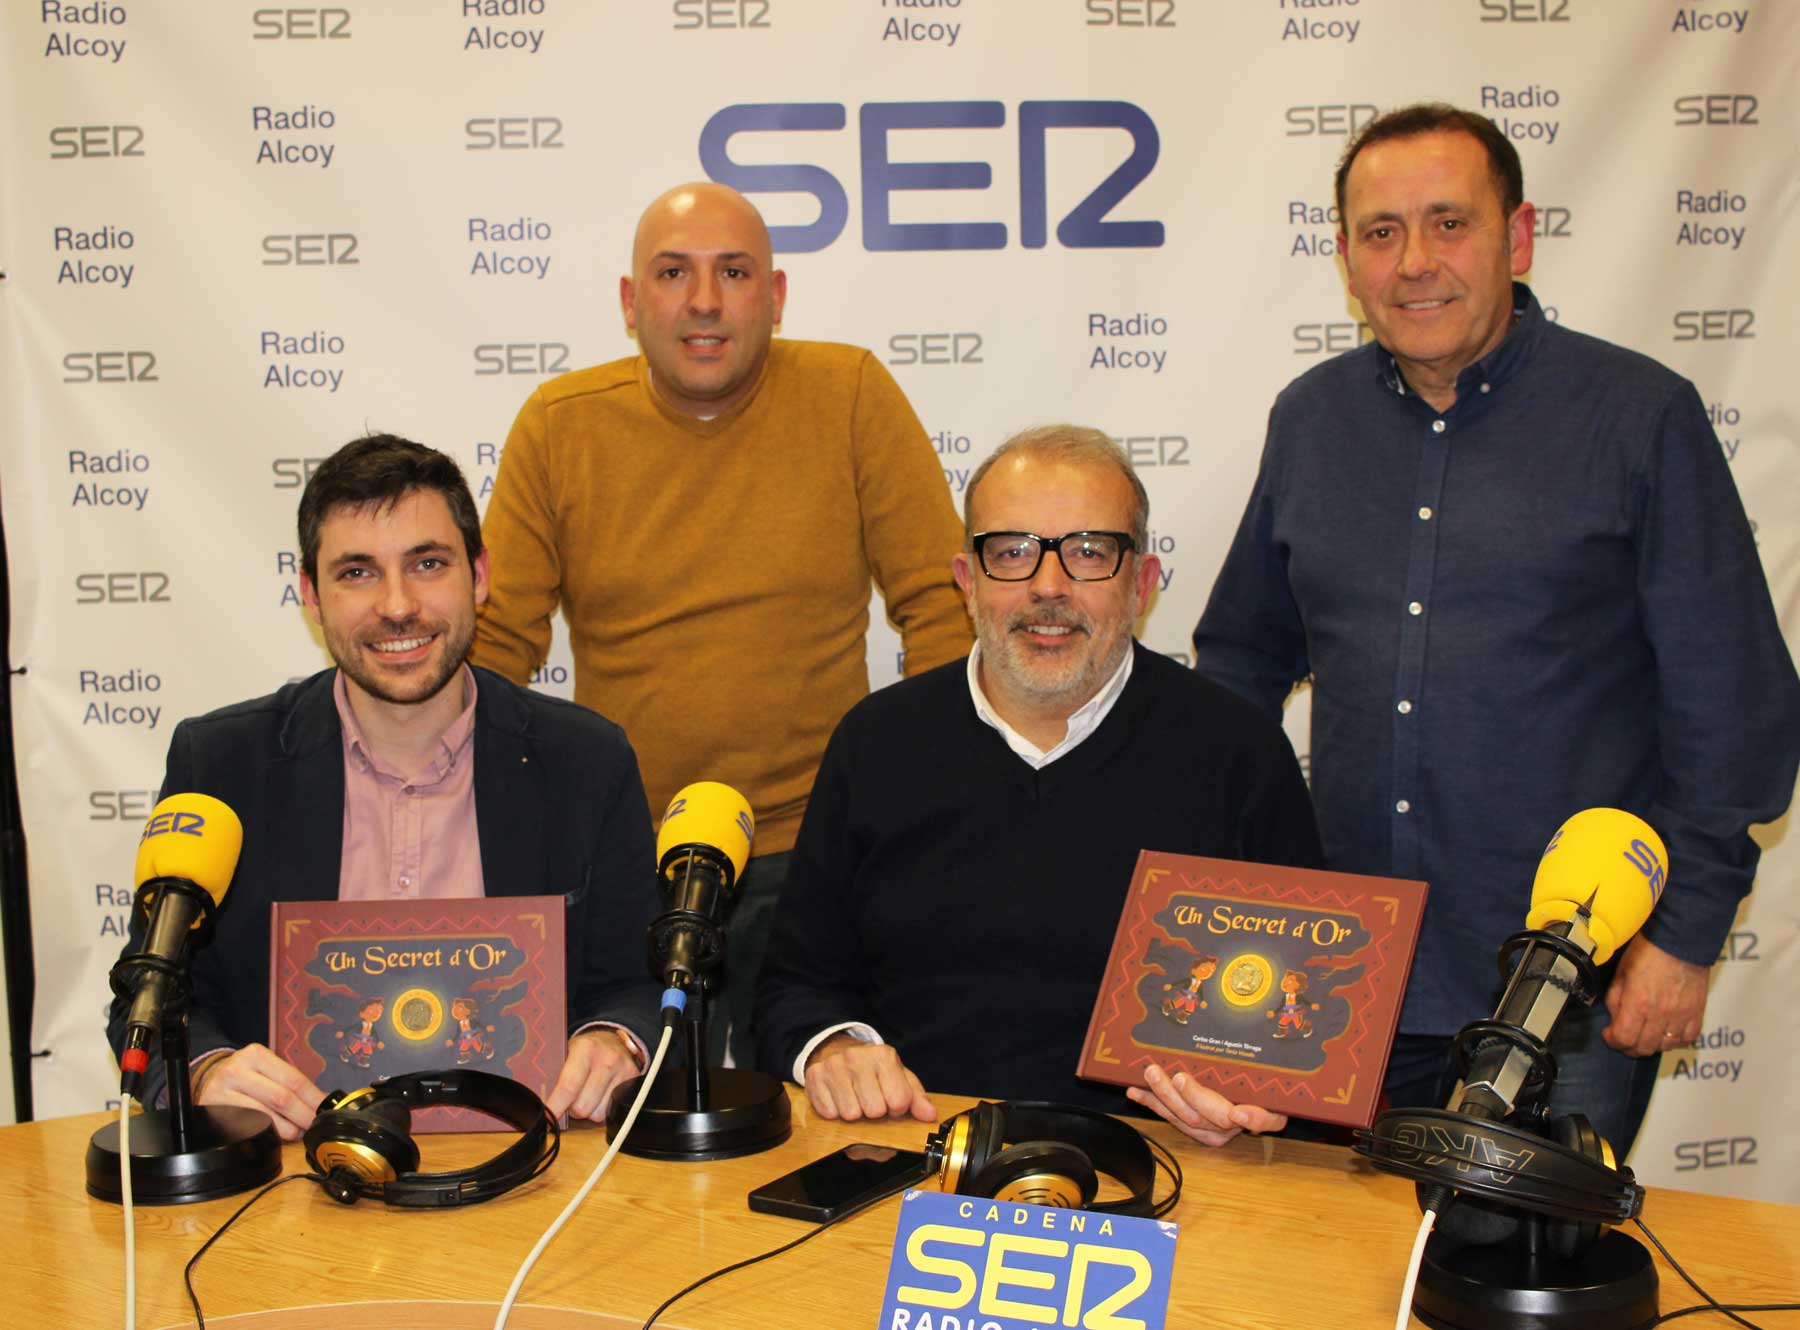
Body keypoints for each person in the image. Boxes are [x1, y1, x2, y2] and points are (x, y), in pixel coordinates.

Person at [1191, 104, 1800, 1154]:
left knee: (1533, 1259)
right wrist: (1226, 893)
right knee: (1334, 1254)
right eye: (1381, 232)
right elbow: (1240, 660)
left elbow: (1735, 708)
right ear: (1345, 257)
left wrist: (1684, 934)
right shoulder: (1310, 419)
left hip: (1568, 986)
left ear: (1517, 237)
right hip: (1339, 978)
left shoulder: (1640, 416)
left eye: (1449, 223)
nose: (1414, 263)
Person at [473, 182, 971, 1066]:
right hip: (629, 856)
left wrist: (913, 800)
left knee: (837, 1112)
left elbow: (942, 608)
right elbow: (499, 644)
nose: (704, 301)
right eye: (674, 273)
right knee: (635, 1124)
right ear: (631, 303)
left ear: (774, 297)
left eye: (733, 273)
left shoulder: (850, 394)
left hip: (818, 851)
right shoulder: (559, 426)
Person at [754, 426, 1324, 1147]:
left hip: (1171, 1165)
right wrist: (834, 1049)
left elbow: (1305, 1019)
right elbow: (792, 988)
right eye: (1012, 552)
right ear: (967, 581)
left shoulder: (1238, 753)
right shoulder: (876, 743)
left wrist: (1252, 1102)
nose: (1048, 587)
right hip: (918, 1155)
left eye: (1088, 552)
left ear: (1143, 582)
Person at [105, 436, 661, 1140]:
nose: (398, 606)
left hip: (535, 1170)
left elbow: (642, 985)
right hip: (290, 1176)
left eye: (428, 564)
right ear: (311, 595)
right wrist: (206, 1070)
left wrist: (617, 1040)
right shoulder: (220, 765)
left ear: (479, 575)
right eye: (358, 573)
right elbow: (149, 995)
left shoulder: (587, 760)